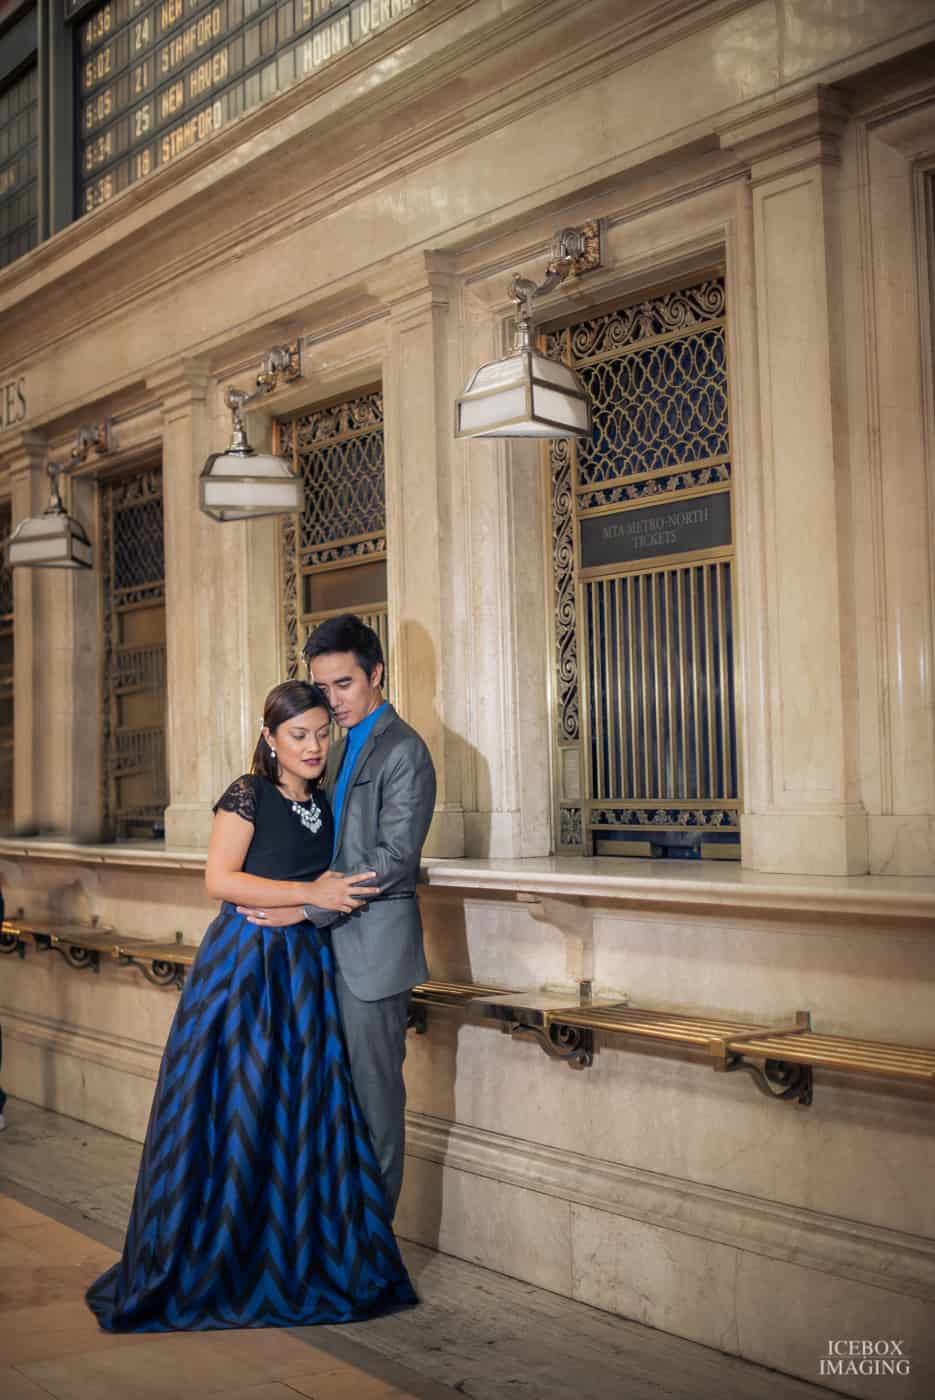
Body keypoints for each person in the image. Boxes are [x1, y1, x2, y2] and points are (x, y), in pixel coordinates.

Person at [86, 680, 416, 1332]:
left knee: (295, 1115)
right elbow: (220, 880)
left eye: (322, 733)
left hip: (306, 973)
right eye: (298, 735)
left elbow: (332, 886)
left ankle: (289, 1257)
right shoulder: (248, 793)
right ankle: (220, 1263)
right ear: (270, 737)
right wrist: (306, 894)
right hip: (245, 971)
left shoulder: (323, 802)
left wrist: (305, 905)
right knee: (237, 1109)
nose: (313, 746)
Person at [238, 616, 436, 1217]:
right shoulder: (337, 743)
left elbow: (395, 860)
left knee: (375, 1109)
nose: (333, 700)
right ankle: (338, 1242)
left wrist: (306, 905)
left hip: (372, 958)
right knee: (330, 1109)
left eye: (344, 684)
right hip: (322, 953)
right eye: (323, 688)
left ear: (376, 673)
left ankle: (375, 1249)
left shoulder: (405, 750)